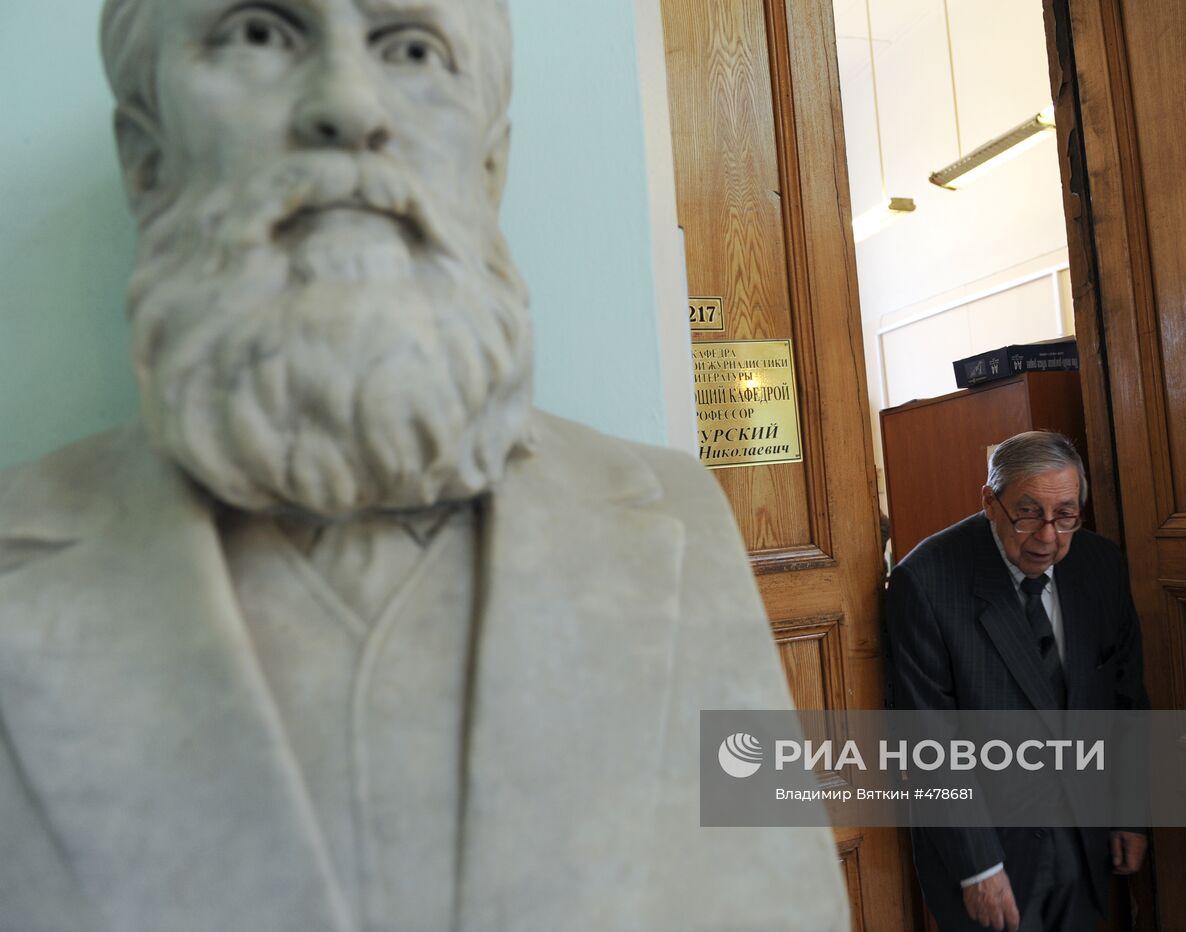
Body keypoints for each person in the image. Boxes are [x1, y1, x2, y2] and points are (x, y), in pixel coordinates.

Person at [0, 1, 849, 929]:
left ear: (490, 164)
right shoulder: (20, 553)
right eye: (258, 32)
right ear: (147, 153)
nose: (347, 106)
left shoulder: (679, 517)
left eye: (410, 47)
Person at [885, 431, 1150, 931]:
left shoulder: (1100, 565)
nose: (1048, 537)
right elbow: (928, 741)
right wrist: (978, 866)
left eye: (1066, 516)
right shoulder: (926, 581)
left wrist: (1130, 812)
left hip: (1084, 837)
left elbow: (1126, 699)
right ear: (990, 501)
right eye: (1027, 514)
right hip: (991, 850)